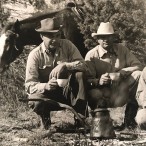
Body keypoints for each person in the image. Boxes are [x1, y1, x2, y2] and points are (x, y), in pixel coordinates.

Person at [25, 18, 88, 130]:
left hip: (68, 93)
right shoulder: (34, 55)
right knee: (34, 100)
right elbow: (29, 85)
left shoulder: (68, 45)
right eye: (50, 36)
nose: (54, 39)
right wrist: (46, 86)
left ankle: (80, 119)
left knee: (80, 75)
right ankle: (45, 120)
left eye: (57, 35)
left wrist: (65, 65)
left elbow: (84, 66)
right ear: (42, 37)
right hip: (48, 96)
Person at [85, 22, 143, 129]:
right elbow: (86, 81)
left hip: (121, 92)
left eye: (108, 37)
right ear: (97, 39)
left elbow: (138, 65)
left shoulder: (122, 49)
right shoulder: (91, 55)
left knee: (138, 75)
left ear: (113, 37)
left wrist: (121, 73)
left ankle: (129, 120)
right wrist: (99, 81)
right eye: (102, 37)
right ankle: (102, 123)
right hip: (102, 94)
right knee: (93, 93)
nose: (105, 40)